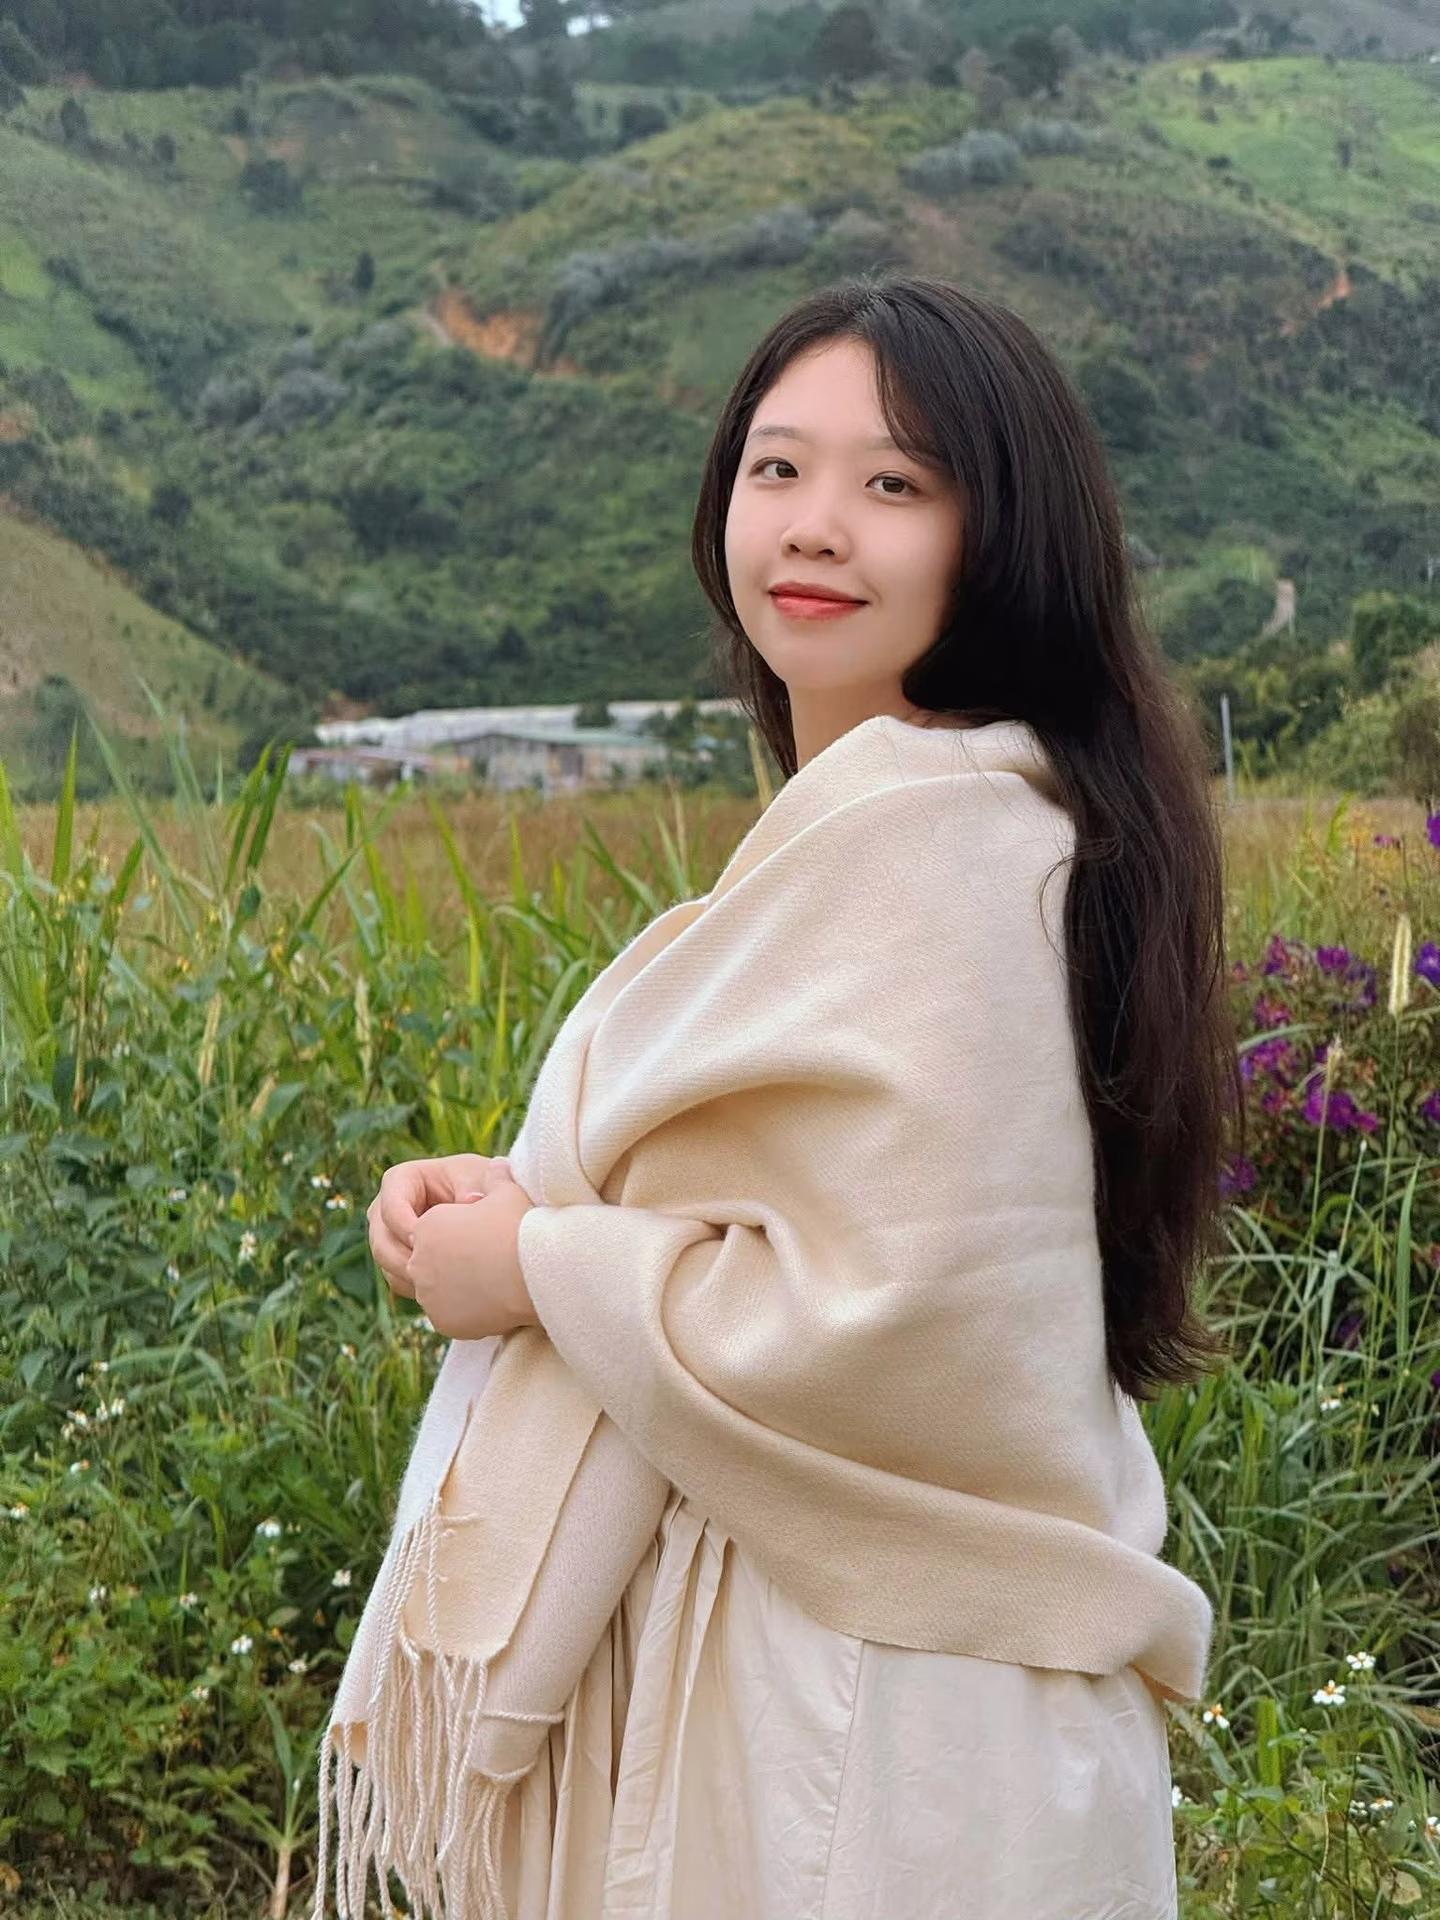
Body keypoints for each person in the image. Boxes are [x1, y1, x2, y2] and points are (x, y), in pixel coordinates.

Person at [364, 274, 1244, 1918]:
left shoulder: (943, 847)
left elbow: (892, 1322)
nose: (815, 524)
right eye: (778, 467)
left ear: (1004, 535)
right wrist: (512, 1205)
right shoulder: (921, 828)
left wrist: (537, 1263)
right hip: (841, 1682)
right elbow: (801, 1205)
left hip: (866, 1714)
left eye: (895, 482)